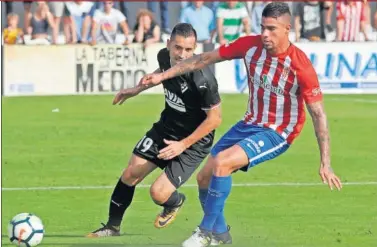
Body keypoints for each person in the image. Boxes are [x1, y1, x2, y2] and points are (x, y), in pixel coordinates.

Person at [139, 2, 342, 247]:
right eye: (262, 27)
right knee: (204, 176)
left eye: (271, 29)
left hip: (278, 132)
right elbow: (203, 58)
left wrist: (326, 163)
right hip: (249, 123)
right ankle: (221, 233)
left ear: (287, 28)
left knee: (222, 163)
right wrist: (162, 75)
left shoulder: (300, 65)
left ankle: (205, 233)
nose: (265, 34)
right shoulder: (250, 45)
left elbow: (318, 114)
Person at [87, 23, 222, 238]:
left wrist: (183, 145)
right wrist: (135, 90)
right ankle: (112, 227)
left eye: (188, 50)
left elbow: (215, 119)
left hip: (193, 143)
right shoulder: (163, 57)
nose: (182, 54)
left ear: (195, 48)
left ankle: (175, 202)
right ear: (168, 44)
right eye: (177, 48)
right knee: (131, 173)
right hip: (166, 128)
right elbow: (161, 74)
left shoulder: (203, 79)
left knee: (158, 193)